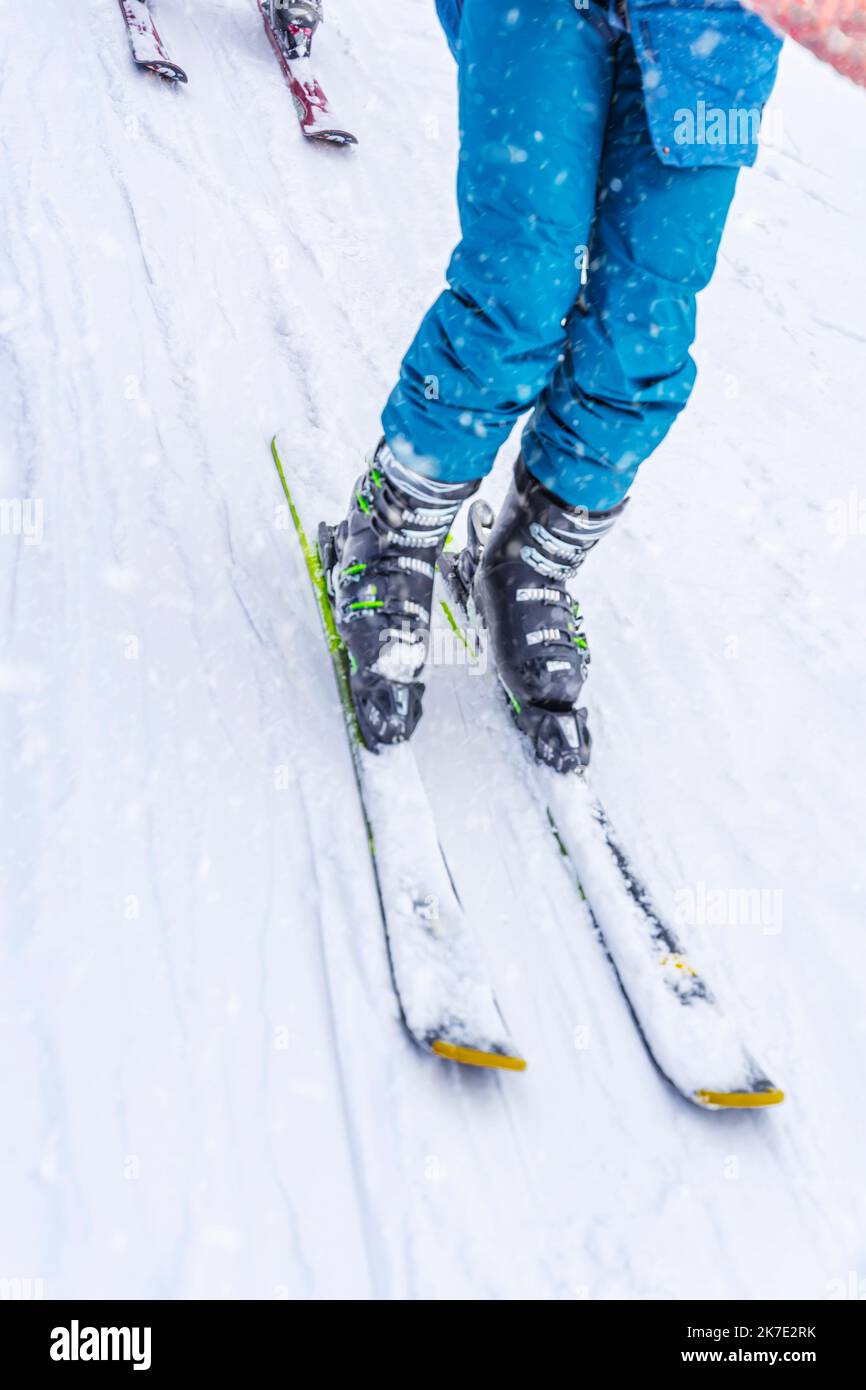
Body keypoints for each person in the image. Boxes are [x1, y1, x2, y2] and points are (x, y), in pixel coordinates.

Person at [322, 0, 782, 768]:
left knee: (645, 328)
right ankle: (394, 525)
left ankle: (530, 559)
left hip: (722, 37)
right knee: (521, 284)